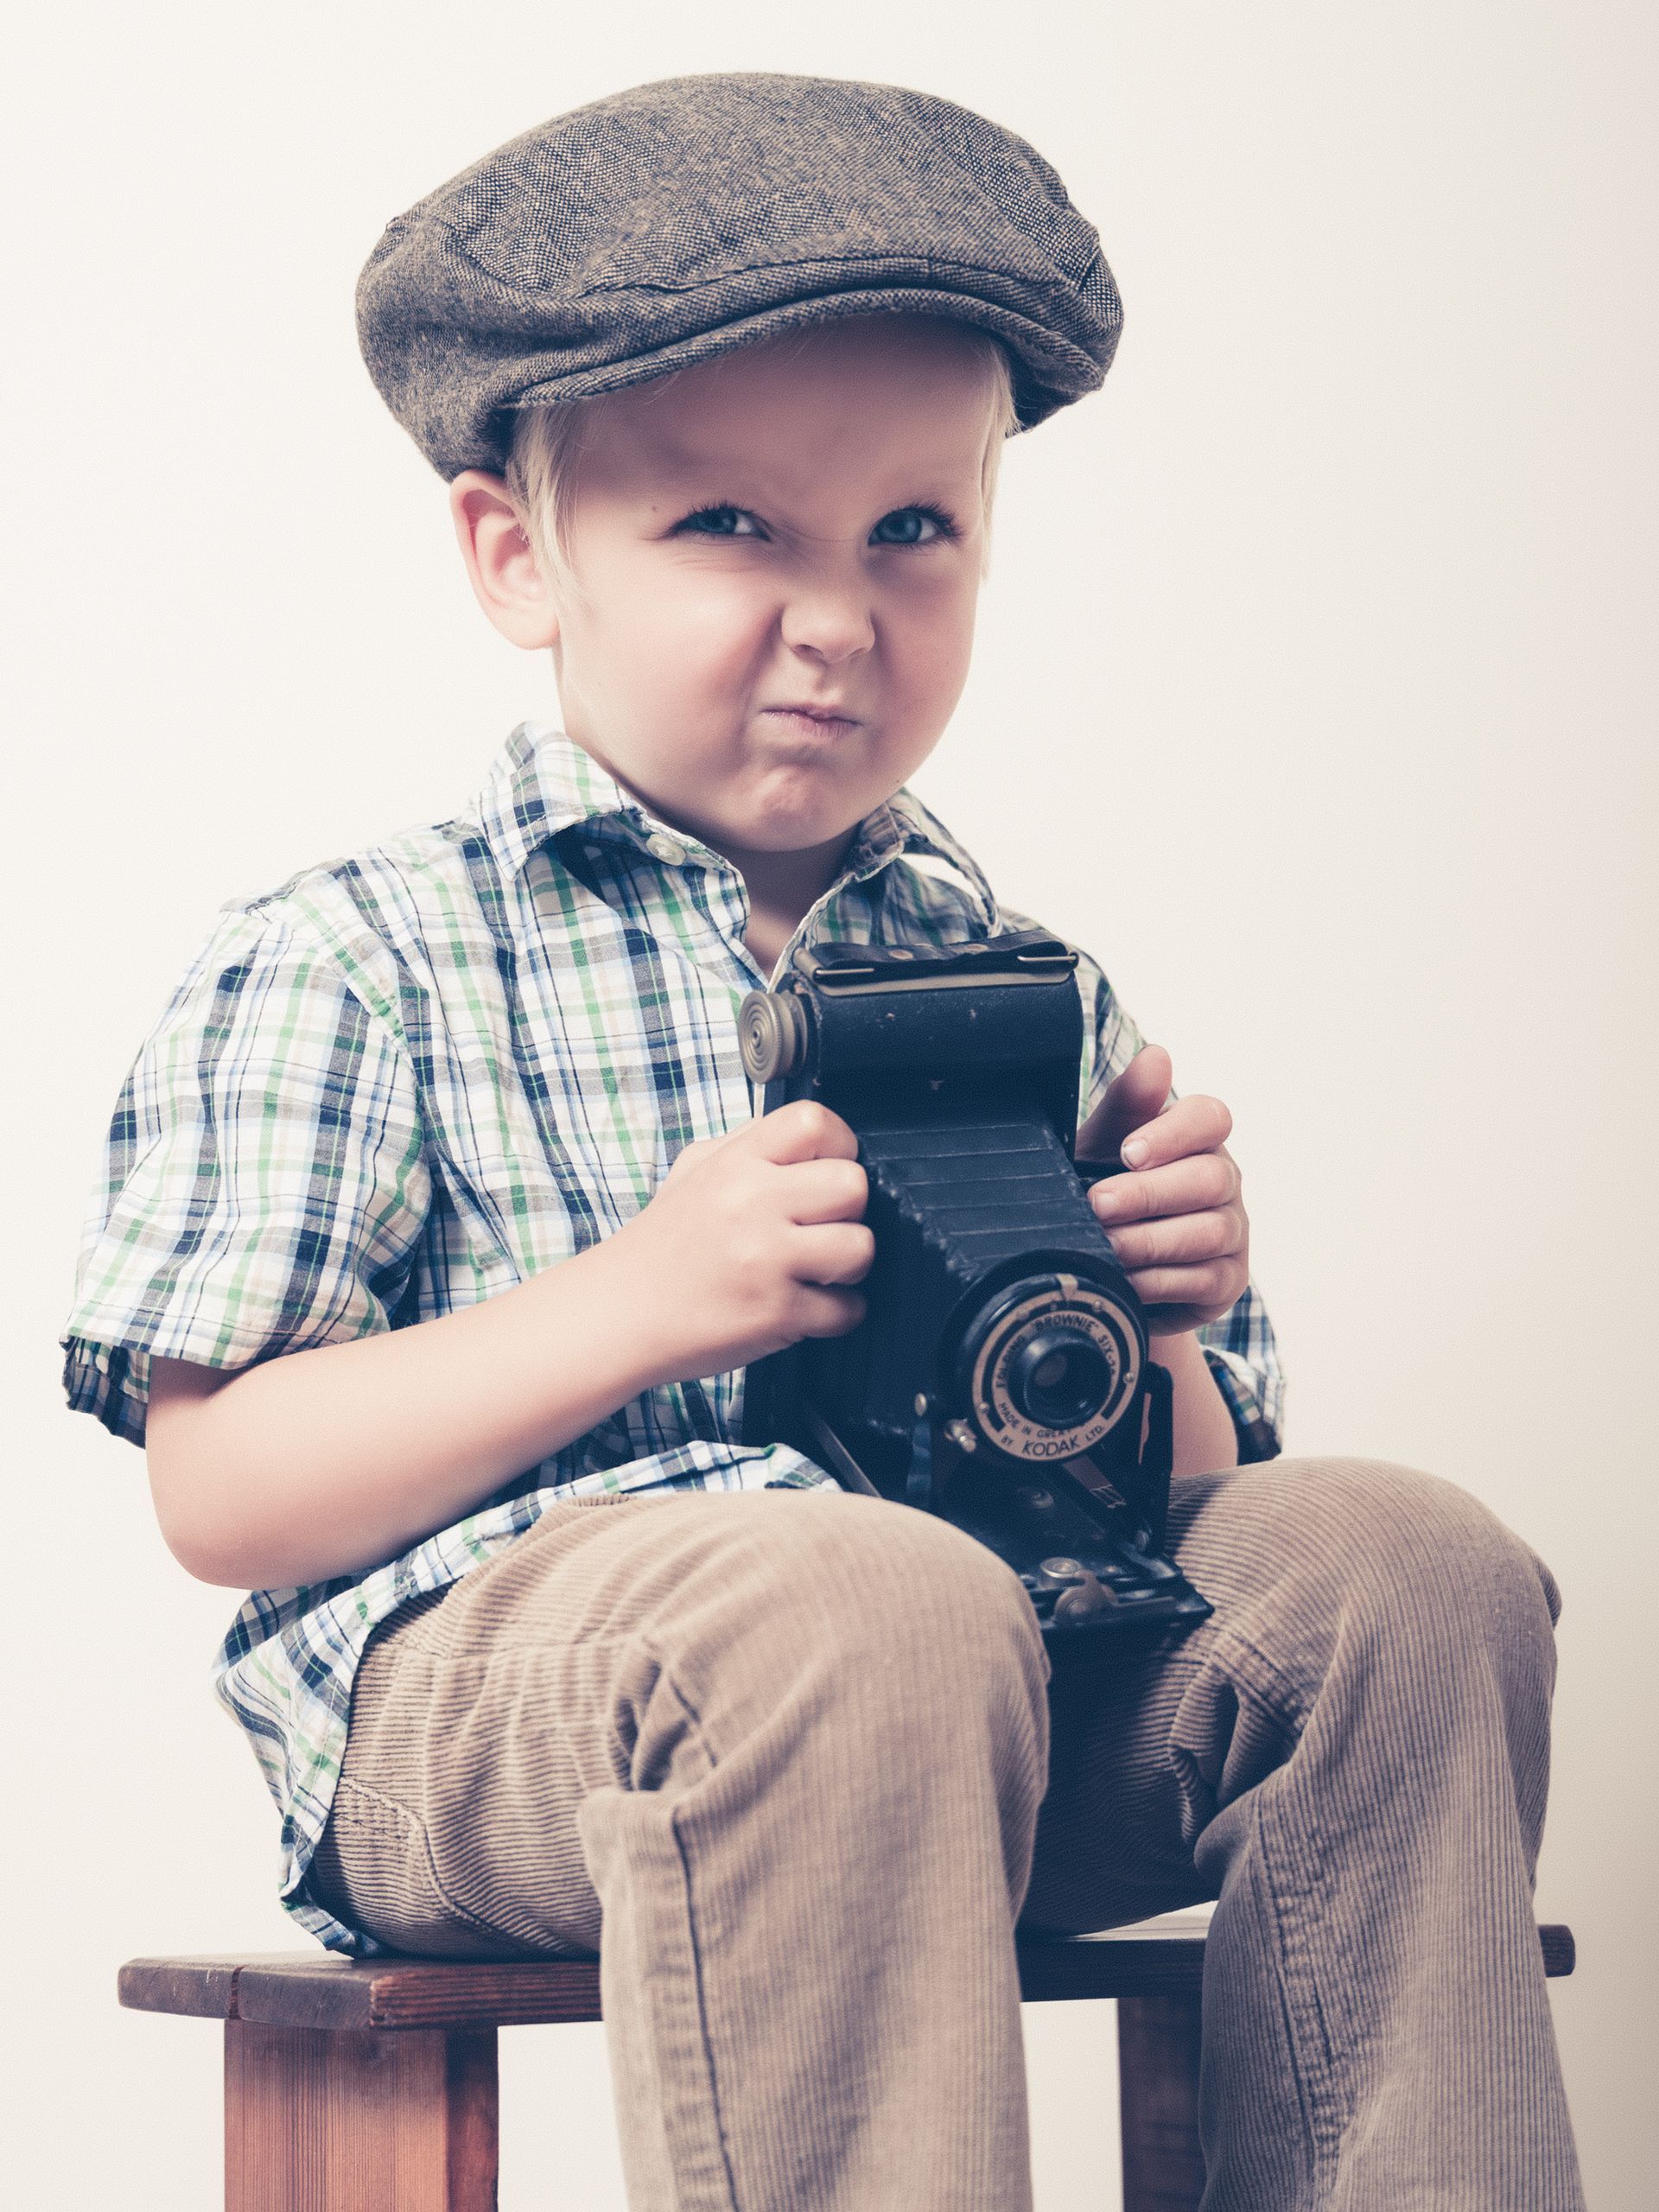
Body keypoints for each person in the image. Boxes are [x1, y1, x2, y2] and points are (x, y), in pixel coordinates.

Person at [61, 71, 1584, 2212]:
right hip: (492, 1711)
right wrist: (631, 1307)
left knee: (1404, 1563)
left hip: (994, 1677)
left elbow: (1187, 1501)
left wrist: (1159, 1323)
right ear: (519, 553)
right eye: (730, 527)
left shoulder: (1015, 980)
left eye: (912, 530)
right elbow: (221, 1490)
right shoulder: (362, 953)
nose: (838, 615)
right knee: (854, 1600)